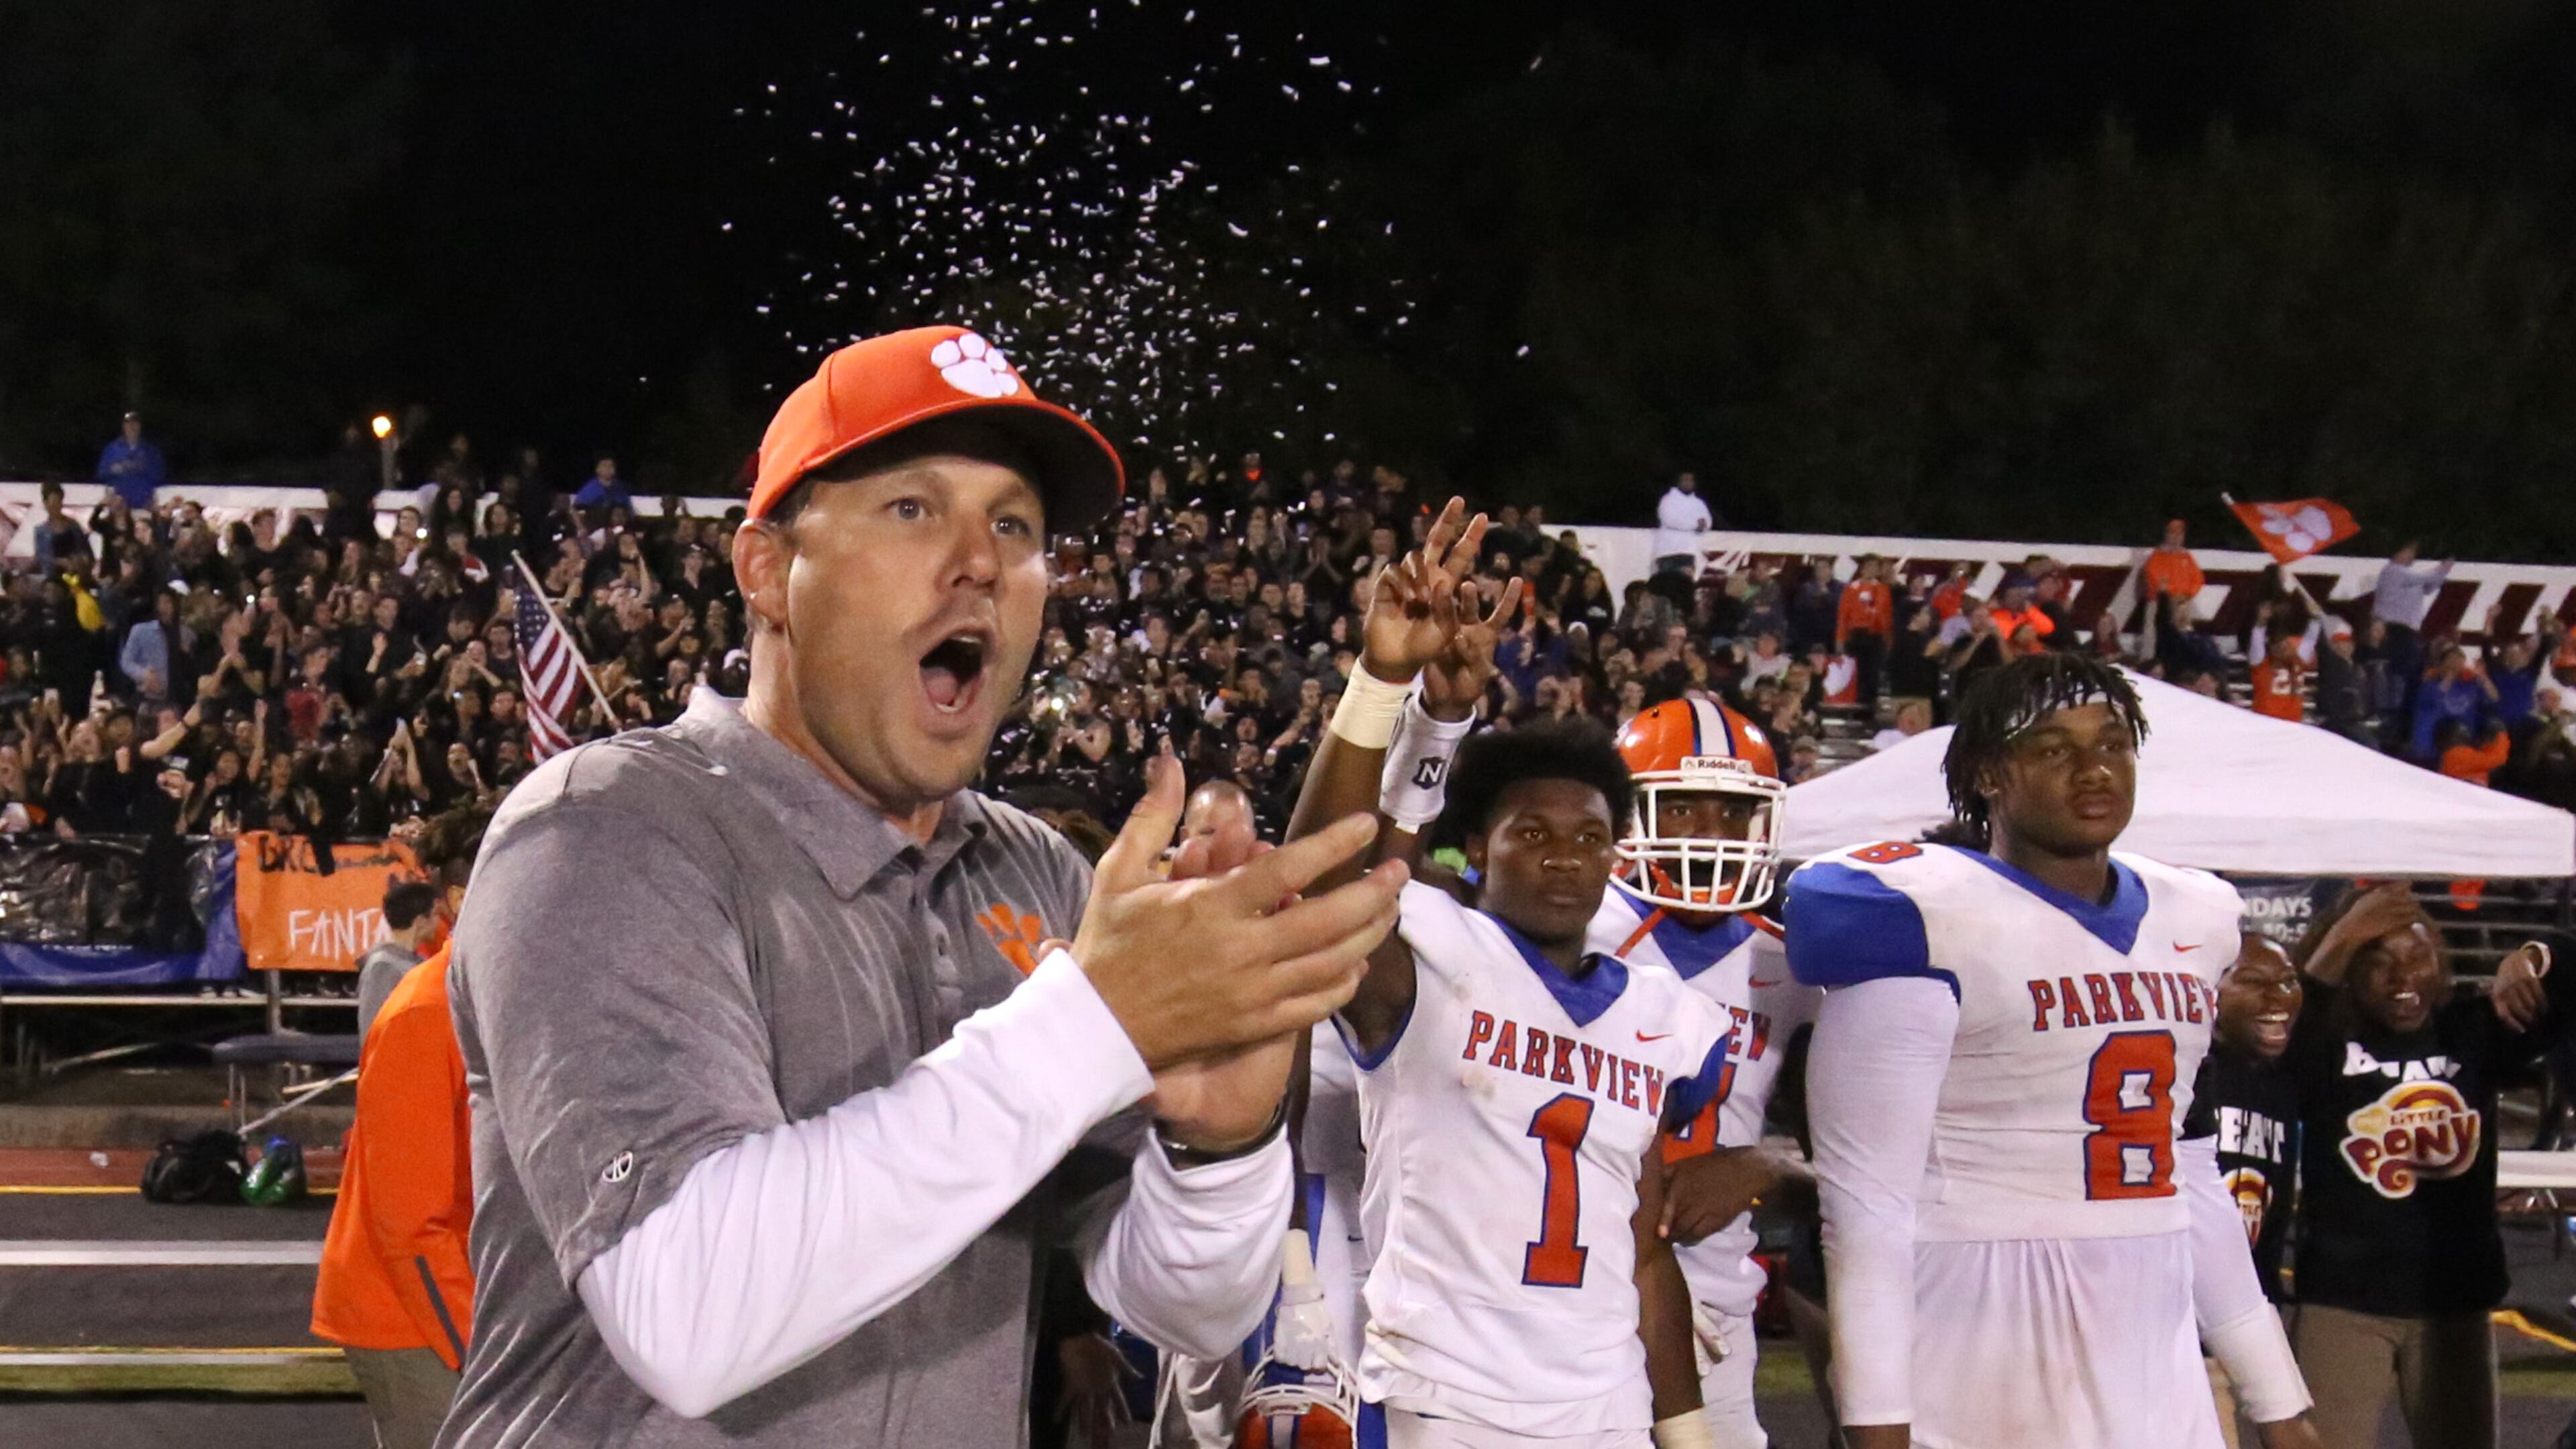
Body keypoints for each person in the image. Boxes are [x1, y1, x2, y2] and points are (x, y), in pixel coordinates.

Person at [439, 325, 1408, 1446]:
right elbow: (684, 1307)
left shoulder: (1034, 873)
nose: (982, 562)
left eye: (1015, 525)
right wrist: (1094, 1022)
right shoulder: (608, 830)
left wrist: (1221, 1146)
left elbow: (1183, 1305)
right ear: (766, 571)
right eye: (913, 508)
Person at [1784, 654, 2320, 1448]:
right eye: (2054, 749)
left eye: (2112, 744)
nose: (2094, 769)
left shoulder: (2197, 914)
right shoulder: (1919, 913)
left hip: (2150, 1322)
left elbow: (2191, 1169)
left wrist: (2278, 1398)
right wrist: (1877, 1426)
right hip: (1980, 1317)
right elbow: (1867, 1207)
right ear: (1992, 773)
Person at [1287, 498, 1729, 1448]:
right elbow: (1325, 874)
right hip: (1445, 1405)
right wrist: (1397, 690)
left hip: (1606, 1405)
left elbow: (1643, 1251)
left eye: (1590, 838)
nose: (1566, 857)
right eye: (1532, 834)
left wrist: (1685, 1431)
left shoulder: (1661, 1016)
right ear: (1478, 852)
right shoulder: (1436, 955)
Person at [1590, 696, 1819, 1449]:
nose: (1709, 835)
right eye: (1682, 807)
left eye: (1729, 812)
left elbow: (1857, 1144)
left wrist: (1761, 1165)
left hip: (1718, 1301)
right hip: (1571, 1298)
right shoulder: (1572, 927)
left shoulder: (1791, 961)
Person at [2281, 885, 2562, 1449]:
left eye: (2417, 957)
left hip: (2453, 1304)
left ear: (2441, 959)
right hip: (2345, 1303)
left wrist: (2529, 957)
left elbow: (2566, 983)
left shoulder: (2473, 1029)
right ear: (2348, 971)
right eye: (2377, 963)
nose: (2402, 978)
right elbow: (2293, 1026)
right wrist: (2342, 936)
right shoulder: (2326, 1045)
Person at [315, 806, 490, 1449]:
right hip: (411, 1313)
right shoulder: (424, 1012)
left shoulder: (478, 996)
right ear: (462, 898)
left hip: (447, 1294)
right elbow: (409, 1224)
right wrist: (479, 1346)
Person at [2183, 936, 2304, 1446]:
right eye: (2253, 982)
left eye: (2288, 981)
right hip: (2178, 1339)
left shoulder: (2283, 1080)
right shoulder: (2183, 1074)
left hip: (2244, 1316)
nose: (2277, 996)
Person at [356, 879, 439, 1041]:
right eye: (435, 914)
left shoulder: (419, 962)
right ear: (420, 921)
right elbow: (373, 1035)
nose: (439, 921)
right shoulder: (382, 968)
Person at [2371, 543, 2452, 712]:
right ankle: (2392, 714)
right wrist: (2442, 568)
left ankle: (2403, 714)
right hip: (2396, 630)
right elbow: (2425, 579)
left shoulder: (2408, 576)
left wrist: (2443, 570)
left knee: (2411, 675)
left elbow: (2430, 587)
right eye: (2409, 551)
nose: (2413, 555)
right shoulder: (2392, 571)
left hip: (2409, 632)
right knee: (2398, 677)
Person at [1835, 557, 1894, 706]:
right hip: (1856, 636)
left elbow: (1886, 616)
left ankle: (1869, 710)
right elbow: (1843, 616)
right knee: (1856, 676)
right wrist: (1840, 640)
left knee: (1873, 675)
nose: (1871, 570)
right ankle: (1855, 709)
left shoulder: (1883, 589)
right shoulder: (1851, 589)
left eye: (1875, 567)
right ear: (1862, 568)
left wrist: (1888, 639)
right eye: (1869, 566)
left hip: (1875, 637)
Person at [97, 411, 166, 511]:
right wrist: (113, 470)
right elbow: (101, 474)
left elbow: (159, 477)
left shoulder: (151, 450)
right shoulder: (112, 448)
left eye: (136, 423)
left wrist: (140, 467)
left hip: (144, 505)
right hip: (118, 507)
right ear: (123, 426)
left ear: (140, 426)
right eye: (129, 423)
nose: (132, 426)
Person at [1654, 473, 1714, 579]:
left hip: (1689, 552)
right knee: (1667, 585)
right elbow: (1670, 520)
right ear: (1678, 482)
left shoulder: (1699, 503)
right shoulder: (1668, 500)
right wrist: (1695, 525)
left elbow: (1707, 522)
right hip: (1669, 552)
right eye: (1685, 480)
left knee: (1684, 587)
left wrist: (1702, 526)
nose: (1688, 483)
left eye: (1691, 480)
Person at [2141, 520, 2205, 616]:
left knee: (2184, 628)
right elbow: (2154, 580)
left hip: (2182, 604)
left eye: (2180, 534)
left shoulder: (2186, 556)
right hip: (2160, 604)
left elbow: (2198, 579)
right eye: (2173, 533)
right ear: (2166, 535)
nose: (2176, 537)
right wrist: (2175, 596)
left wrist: (2187, 595)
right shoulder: (2157, 557)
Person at [2249, 633, 2306, 724]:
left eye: (2286, 646)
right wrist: (2259, 626)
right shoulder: (2263, 664)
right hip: (2267, 719)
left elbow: (2311, 641)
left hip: (2293, 720)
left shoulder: (2298, 662)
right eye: (2278, 646)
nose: (2283, 649)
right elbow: (2257, 642)